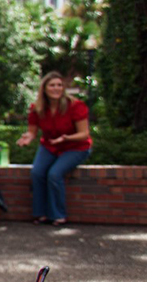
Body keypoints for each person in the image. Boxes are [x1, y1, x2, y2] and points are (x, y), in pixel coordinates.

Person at [16, 71, 92, 226]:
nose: (56, 88)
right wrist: (28, 137)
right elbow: (32, 132)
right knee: (37, 173)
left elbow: (84, 134)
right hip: (50, 145)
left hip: (75, 147)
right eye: (52, 85)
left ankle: (58, 215)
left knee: (54, 174)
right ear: (44, 89)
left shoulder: (75, 106)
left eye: (59, 85)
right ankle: (40, 214)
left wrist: (65, 138)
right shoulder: (37, 108)